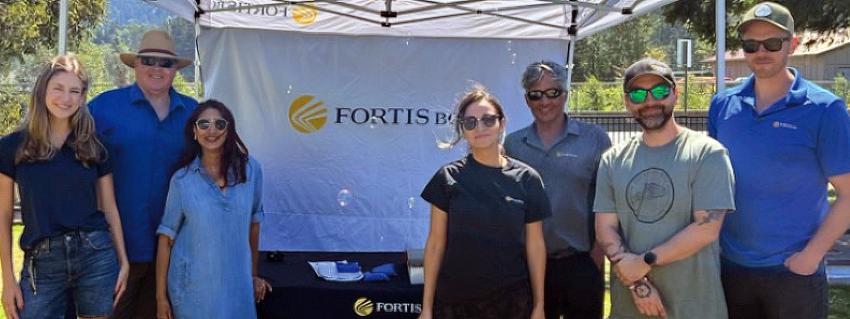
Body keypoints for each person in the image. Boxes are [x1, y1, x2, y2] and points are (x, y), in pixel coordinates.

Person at [708, 2, 850, 318]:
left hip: (794, 273)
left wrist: (811, 257)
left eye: (773, 43)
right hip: (731, 268)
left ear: (792, 44)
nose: (762, 51)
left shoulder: (825, 109)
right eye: (751, 44)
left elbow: (848, 194)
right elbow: (714, 182)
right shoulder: (722, 105)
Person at [595, 58, 735, 318]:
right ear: (627, 102)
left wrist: (643, 262)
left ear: (675, 94)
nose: (649, 102)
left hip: (694, 306)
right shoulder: (612, 160)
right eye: (638, 94)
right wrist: (638, 284)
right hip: (630, 306)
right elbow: (606, 228)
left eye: (659, 91)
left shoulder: (707, 153)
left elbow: (707, 229)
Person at [0, 54, 130, 319]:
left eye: (75, 91)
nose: (66, 98)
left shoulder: (96, 145)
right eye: (58, 88)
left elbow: (110, 208)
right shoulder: (12, 146)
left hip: (96, 256)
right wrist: (9, 281)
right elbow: (3, 216)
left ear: (82, 98)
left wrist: (123, 261)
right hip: (42, 261)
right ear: (42, 91)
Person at [88, 30, 198, 318]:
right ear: (135, 65)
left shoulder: (195, 114)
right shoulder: (103, 107)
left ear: (176, 69)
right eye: (148, 60)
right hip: (116, 249)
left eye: (165, 63)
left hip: (173, 251)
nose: (156, 68)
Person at [418, 86, 550, 319]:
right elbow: (435, 244)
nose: (480, 128)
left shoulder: (527, 179)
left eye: (488, 120)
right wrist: (427, 308)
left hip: (511, 302)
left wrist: (539, 305)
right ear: (463, 129)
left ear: (501, 123)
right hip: (454, 302)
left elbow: (536, 246)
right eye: (470, 122)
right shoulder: (447, 178)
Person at [505, 60, 611, 319]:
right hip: (530, 266)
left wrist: (596, 255)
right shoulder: (513, 144)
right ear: (527, 99)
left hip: (582, 262)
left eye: (553, 93)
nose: (545, 101)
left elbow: (609, 200)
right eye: (536, 94)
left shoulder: (594, 139)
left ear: (565, 94)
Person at [155, 100, 269, 319]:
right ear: (194, 131)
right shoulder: (182, 180)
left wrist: (254, 275)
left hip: (237, 286)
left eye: (219, 124)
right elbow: (165, 239)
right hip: (192, 291)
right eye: (204, 124)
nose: (212, 130)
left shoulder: (251, 170)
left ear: (229, 129)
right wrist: (161, 298)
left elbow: (254, 226)